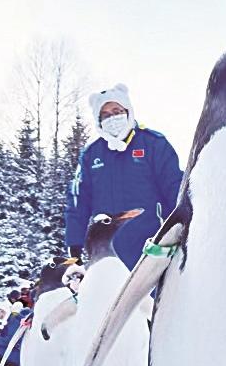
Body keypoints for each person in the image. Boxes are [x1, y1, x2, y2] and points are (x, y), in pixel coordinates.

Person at [65, 83, 182, 270]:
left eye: (117, 111)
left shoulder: (153, 144)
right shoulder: (91, 155)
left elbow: (175, 188)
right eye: (105, 114)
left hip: (152, 246)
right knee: (113, 296)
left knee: (153, 298)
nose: (112, 117)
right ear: (98, 120)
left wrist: (181, 230)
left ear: (128, 111)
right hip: (107, 251)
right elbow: (78, 201)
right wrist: (75, 244)